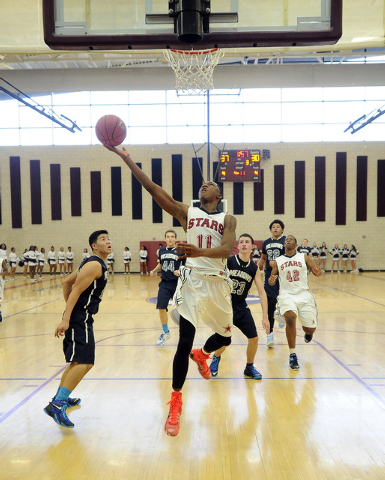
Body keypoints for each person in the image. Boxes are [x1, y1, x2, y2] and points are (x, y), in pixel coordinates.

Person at [106, 145, 236, 438]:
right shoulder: (187, 212)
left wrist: (197, 249)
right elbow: (153, 189)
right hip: (192, 281)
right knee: (183, 340)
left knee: (226, 335)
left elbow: (227, 249)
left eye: (212, 184)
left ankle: (202, 354)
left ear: (218, 196)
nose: (206, 184)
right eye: (204, 183)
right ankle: (175, 401)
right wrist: (126, 159)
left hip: (217, 282)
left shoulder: (228, 219)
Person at [43, 230, 110, 428]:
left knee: (77, 360)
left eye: (108, 238)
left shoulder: (93, 263)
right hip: (81, 319)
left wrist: (70, 313)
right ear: (94, 246)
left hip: (81, 317)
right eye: (103, 239)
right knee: (86, 362)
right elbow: (75, 291)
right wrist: (67, 317)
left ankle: (61, 396)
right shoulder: (95, 264)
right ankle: (57, 404)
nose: (108, 241)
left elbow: (66, 281)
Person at [210, 233, 269, 379]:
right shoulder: (229, 261)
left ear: (253, 246)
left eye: (247, 242)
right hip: (225, 306)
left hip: (241, 307)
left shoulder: (254, 269)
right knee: (224, 340)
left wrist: (265, 317)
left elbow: (262, 292)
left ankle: (249, 367)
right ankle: (216, 357)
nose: (243, 244)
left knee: (254, 338)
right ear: (237, 245)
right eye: (241, 242)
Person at [268, 235, 321, 371]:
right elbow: (272, 278)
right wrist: (271, 281)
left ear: (296, 244)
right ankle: (292, 355)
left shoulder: (303, 257)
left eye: (291, 239)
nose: (288, 240)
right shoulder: (278, 261)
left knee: (310, 328)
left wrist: (317, 271)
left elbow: (316, 271)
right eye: (287, 239)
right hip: (287, 295)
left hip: (303, 294)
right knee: (290, 318)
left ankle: (308, 332)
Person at [150, 230, 183, 346]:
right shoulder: (161, 251)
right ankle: (165, 332)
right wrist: (154, 270)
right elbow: (160, 264)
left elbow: (186, 266)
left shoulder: (180, 251)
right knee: (161, 307)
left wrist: (180, 271)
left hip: (177, 284)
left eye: (172, 237)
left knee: (182, 309)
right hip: (164, 283)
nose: (170, 239)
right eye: (168, 237)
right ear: (165, 239)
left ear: (175, 239)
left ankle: (184, 332)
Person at [258, 220, 286, 348]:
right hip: (270, 277)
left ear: (282, 230)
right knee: (270, 304)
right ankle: (269, 335)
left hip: (284, 276)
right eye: (273, 227)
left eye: (278, 227)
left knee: (284, 300)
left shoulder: (286, 241)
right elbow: (264, 257)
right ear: (270, 230)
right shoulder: (266, 242)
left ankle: (281, 315)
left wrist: (278, 262)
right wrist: (256, 268)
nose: (275, 228)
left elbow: (290, 256)